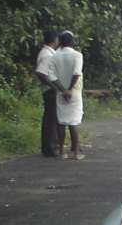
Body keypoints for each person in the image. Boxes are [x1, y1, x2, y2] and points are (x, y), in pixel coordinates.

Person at [52, 30, 85, 160]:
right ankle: (76, 153)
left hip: (60, 92)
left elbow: (52, 76)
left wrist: (63, 89)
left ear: (60, 42)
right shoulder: (77, 55)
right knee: (74, 122)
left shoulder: (55, 56)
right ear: (72, 42)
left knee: (61, 121)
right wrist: (69, 89)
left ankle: (61, 152)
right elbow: (77, 73)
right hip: (74, 92)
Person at [33, 29, 59, 157]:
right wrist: (53, 86)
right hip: (50, 91)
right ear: (54, 40)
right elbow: (41, 72)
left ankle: (49, 146)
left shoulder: (45, 53)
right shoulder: (48, 55)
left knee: (50, 118)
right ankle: (50, 147)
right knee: (51, 119)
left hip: (48, 89)